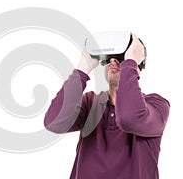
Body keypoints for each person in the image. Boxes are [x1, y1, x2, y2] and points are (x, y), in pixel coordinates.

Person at [44, 33, 170, 179]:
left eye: (122, 57)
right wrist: (83, 68)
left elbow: (130, 118)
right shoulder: (90, 103)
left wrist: (130, 63)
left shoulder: (157, 105)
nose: (113, 61)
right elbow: (53, 122)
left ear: (137, 66)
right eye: (109, 58)